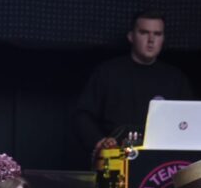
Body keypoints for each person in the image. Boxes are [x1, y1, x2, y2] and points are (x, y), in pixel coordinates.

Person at [73, 9, 193, 164]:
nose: (151, 40)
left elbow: (188, 122)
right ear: (131, 36)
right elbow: (82, 115)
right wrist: (100, 142)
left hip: (161, 161)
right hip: (116, 158)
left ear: (163, 38)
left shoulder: (176, 78)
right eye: (144, 33)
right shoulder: (107, 72)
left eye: (157, 34)